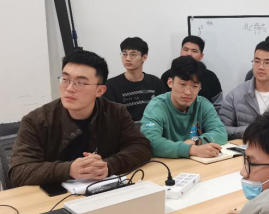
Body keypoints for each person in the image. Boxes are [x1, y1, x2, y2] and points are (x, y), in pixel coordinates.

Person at [9, 50, 151, 187]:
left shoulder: (115, 112)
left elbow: (141, 147)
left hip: (103, 191)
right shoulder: (36, 121)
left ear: (99, 90)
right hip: (53, 197)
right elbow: (19, 171)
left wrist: (108, 165)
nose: (69, 88)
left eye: (80, 83)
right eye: (65, 79)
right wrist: (69, 169)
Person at [141, 56, 228, 159]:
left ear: (200, 87)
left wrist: (196, 141)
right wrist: (190, 149)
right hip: (166, 163)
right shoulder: (156, 107)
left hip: (195, 163)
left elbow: (221, 133)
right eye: (182, 84)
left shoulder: (202, 104)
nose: (188, 92)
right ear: (170, 83)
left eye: (194, 86)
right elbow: (151, 142)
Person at [103, 37, 166, 121]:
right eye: (124, 54)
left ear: (144, 57)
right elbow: (110, 117)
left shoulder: (156, 83)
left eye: (133, 55)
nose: (127, 59)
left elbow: (163, 111)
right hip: (124, 128)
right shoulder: (111, 86)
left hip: (152, 127)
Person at [160, 35, 223, 109]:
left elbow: (218, 105)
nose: (189, 54)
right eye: (185, 50)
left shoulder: (210, 77)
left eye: (194, 51)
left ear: (201, 56)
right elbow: (162, 102)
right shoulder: (167, 75)